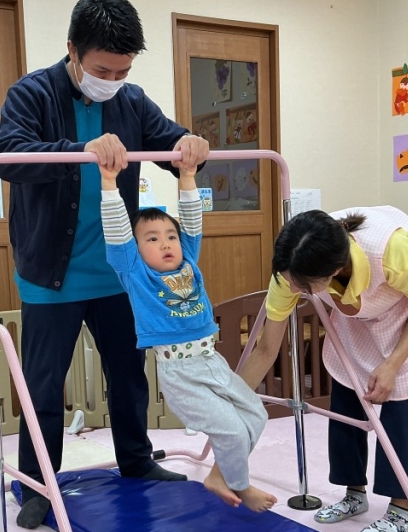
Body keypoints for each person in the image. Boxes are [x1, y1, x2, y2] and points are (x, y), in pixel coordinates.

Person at [0, 0, 210, 529]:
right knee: (44, 384)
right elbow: (10, 159)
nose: (111, 78)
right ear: (72, 50)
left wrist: (190, 142)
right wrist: (78, 151)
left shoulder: (130, 99)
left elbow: (168, 139)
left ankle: (136, 462)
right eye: (101, 68)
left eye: (122, 68)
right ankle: (38, 485)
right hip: (52, 274)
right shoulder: (32, 94)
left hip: (118, 273)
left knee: (129, 375)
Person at [239, 207, 408, 532]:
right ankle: (353, 493)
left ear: (336, 270)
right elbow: (266, 349)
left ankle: (403, 511)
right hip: (365, 298)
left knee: (400, 388)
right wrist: (229, 402)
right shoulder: (293, 269)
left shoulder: (390, 250)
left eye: (302, 286)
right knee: (347, 381)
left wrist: (391, 364)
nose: (293, 288)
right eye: (290, 281)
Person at [98, 157, 276, 512]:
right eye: (152, 238)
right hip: (181, 374)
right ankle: (240, 485)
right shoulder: (134, 272)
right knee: (231, 430)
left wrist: (188, 176)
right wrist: (108, 182)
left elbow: (193, 220)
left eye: (170, 236)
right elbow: (117, 229)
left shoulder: (188, 261)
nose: (166, 244)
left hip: (213, 362)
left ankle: (219, 477)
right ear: (134, 249)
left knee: (256, 416)